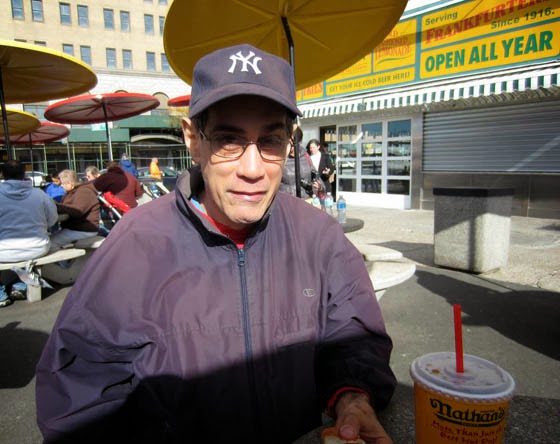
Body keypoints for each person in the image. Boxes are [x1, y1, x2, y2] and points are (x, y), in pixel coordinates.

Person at [36, 44, 395, 443]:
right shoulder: (134, 245)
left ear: (290, 141)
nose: (253, 170)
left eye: (271, 141)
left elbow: (354, 335)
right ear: (193, 138)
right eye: (228, 140)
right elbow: (79, 397)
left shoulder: (319, 235)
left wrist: (352, 397)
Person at [0, 160, 58, 307]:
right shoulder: (40, 194)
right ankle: (20, 285)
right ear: (24, 174)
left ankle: (2, 292)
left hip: (3, 251)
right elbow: (53, 220)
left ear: (3, 175)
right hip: (37, 247)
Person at [49, 169, 100, 251]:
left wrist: (56, 206)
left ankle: (62, 259)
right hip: (77, 228)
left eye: (63, 184)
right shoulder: (74, 192)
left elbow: (77, 211)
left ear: (70, 183)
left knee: (49, 244)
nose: (61, 186)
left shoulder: (84, 192)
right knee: (50, 239)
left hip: (84, 230)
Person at [279, 126, 314, 198]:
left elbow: (315, 175)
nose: (290, 144)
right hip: (287, 201)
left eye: (293, 142)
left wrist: (318, 186)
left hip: (306, 200)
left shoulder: (305, 155)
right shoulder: (279, 157)